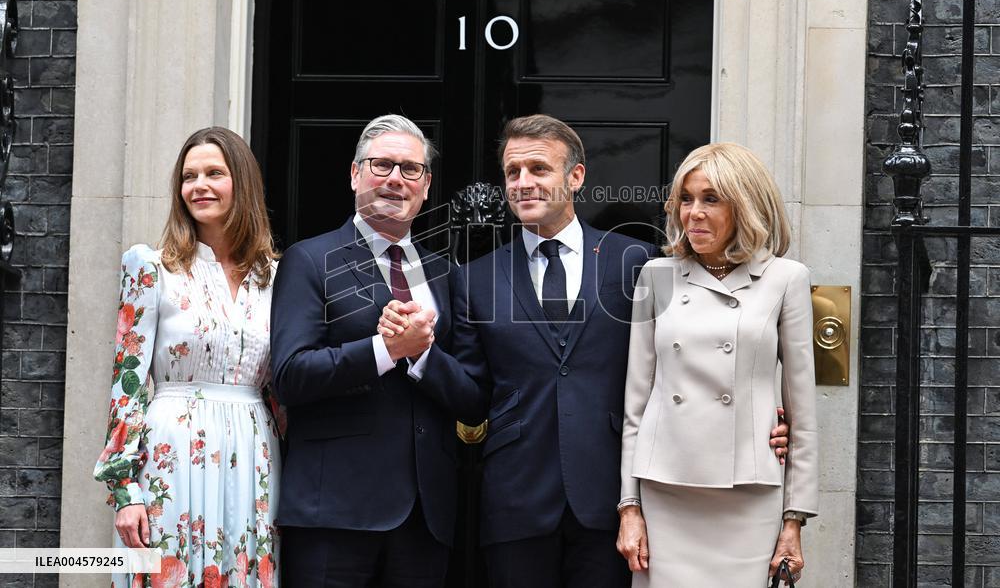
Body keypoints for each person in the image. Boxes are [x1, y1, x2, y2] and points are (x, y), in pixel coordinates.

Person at [379, 115, 790, 588]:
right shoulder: (475, 278)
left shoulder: (635, 262)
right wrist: (422, 354)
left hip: (617, 497)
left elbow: (691, 353)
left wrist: (765, 413)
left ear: (575, 177)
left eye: (538, 169)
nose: (523, 183)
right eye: (513, 173)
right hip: (516, 502)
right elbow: (474, 398)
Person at [269, 114, 482, 587]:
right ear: (354, 174)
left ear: (426, 186)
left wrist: (421, 355)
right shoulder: (309, 260)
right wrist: (383, 350)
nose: (395, 180)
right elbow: (290, 376)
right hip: (335, 513)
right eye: (382, 165)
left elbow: (473, 395)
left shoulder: (447, 273)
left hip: (425, 518)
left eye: (410, 169)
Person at [616, 142, 818, 586]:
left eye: (711, 199)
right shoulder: (656, 276)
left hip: (747, 492)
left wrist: (794, 520)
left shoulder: (786, 279)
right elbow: (636, 403)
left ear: (744, 206)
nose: (694, 213)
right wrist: (629, 507)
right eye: (686, 199)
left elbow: (801, 414)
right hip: (667, 486)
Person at [93, 127, 282, 587]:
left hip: (254, 453)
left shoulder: (276, 276)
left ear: (243, 183)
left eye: (214, 173)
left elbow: (281, 387)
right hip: (171, 452)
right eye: (189, 176)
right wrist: (125, 491)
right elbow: (128, 382)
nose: (199, 185)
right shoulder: (151, 267)